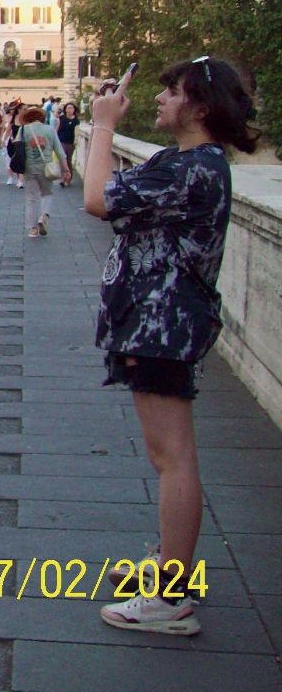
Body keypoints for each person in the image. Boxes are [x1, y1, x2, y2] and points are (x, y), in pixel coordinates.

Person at [87, 57, 258, 637]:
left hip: (163, 323)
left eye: (172, 91)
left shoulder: (191, 170)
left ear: (200, 108)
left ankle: (170, 596)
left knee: (172, 457)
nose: (160, 99)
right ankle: (169, 566)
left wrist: (105, 123)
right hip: (158, 320)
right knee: (172, 454)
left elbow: (95, 198)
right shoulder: (184, 163)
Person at [18, 106, 70, 236]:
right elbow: (59, 151)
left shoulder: (23, 129)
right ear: (42, 117)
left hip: (28, 168)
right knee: (47, 193)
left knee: (31, 198)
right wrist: (66, 169)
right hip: (46, 168)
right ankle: (43, 216)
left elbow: (17, 149)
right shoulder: (50, 130)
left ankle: (33, 229)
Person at [55, 101, 79, 185]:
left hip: (70, 142)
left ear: (74, 110)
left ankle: (68, 178)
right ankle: (63, 178)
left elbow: (76, 131)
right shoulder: (61, 118)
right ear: (65, 109)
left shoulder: (76, 120)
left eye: (72, 108)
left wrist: (76, 140)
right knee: (62, 159)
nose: (70, 109)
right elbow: (57, 129)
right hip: (61, 141)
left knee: (68, 160)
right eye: (68, 108)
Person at [3, 101, 26, 188]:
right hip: (12, 142)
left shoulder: (26, 119)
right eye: (24, 109)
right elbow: (8, 130)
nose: (25, 110)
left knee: (21, 161)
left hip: (22, 143)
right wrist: (3, 140)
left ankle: (20, 180)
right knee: (10, 159)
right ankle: (10, 177)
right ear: (19, 109)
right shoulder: (13, 118)